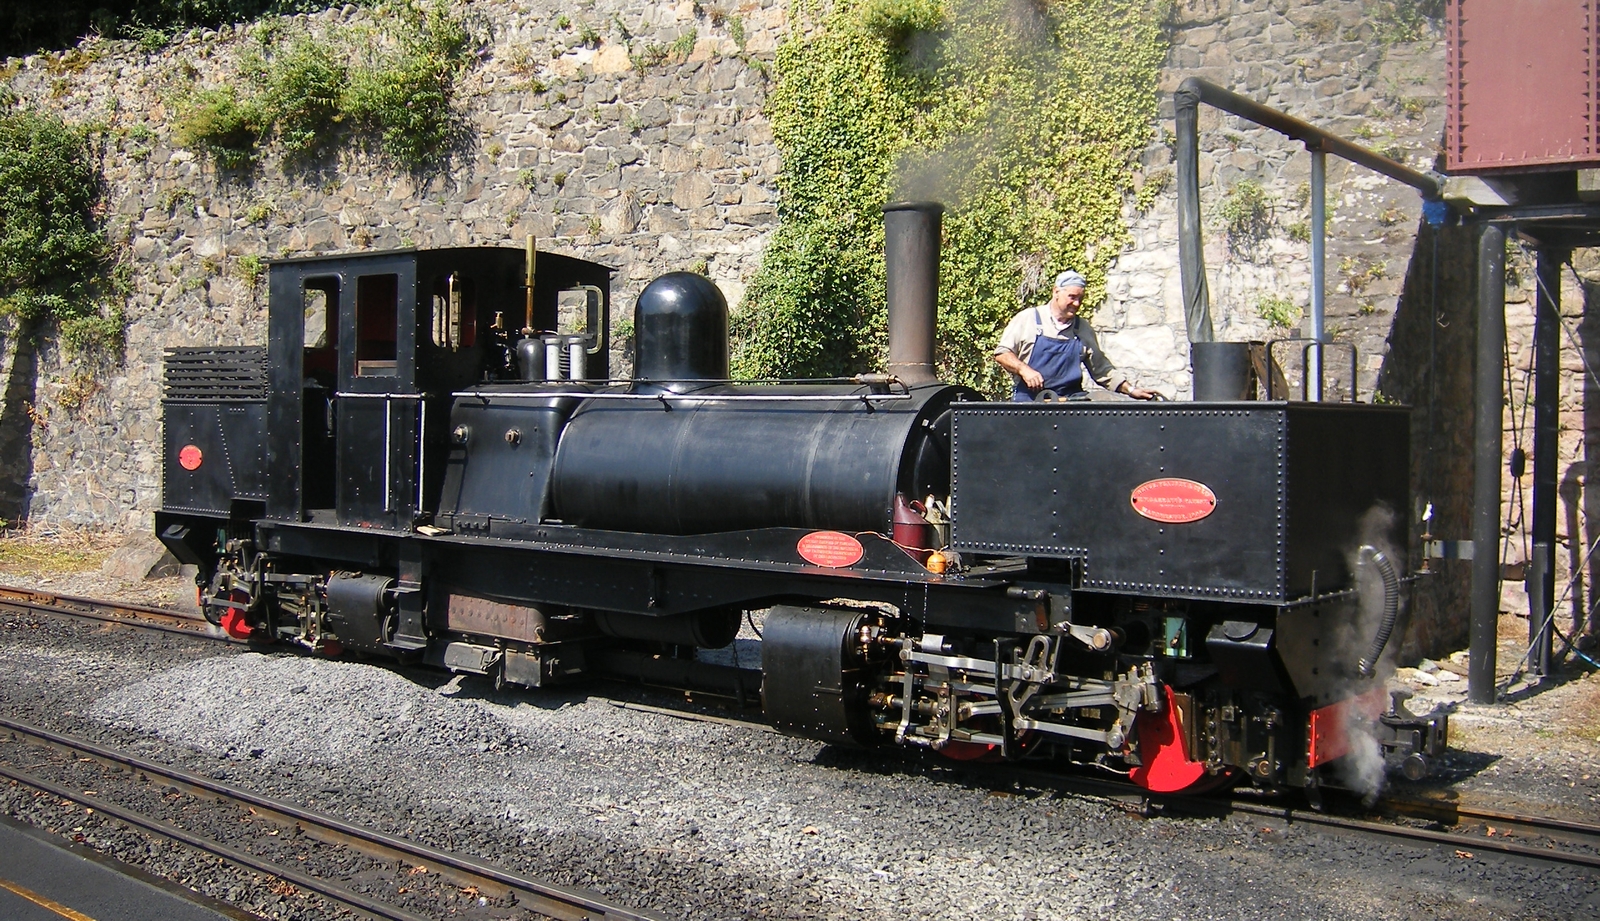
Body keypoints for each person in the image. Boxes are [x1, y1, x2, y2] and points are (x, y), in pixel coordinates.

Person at [994, 270, 1156, 402]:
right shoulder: (1028, 319)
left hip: (1070, 405)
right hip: (1030, 404)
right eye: (1072, 297)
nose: (1077, 303)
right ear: (1056, 292)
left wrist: (1131, 390)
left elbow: (1102, 370)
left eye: (1080, 298)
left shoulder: (1082, 329)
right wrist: (1024, 370)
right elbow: (1002, 353)